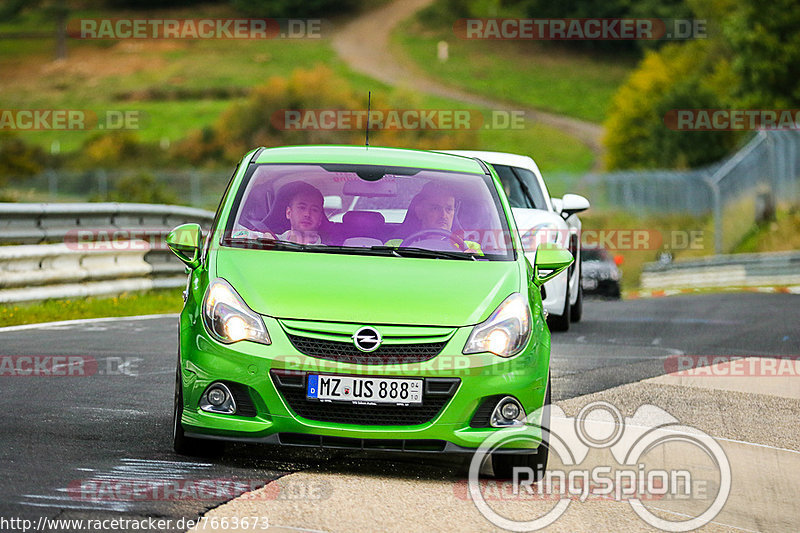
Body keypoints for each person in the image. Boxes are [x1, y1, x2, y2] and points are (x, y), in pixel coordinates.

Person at [387, 182, 482, 253]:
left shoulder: (470, 247)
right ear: (420, 211)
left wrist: (471, 260)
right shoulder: (395, 245)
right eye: (435, 208)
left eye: (449, 209)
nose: (444, 215)